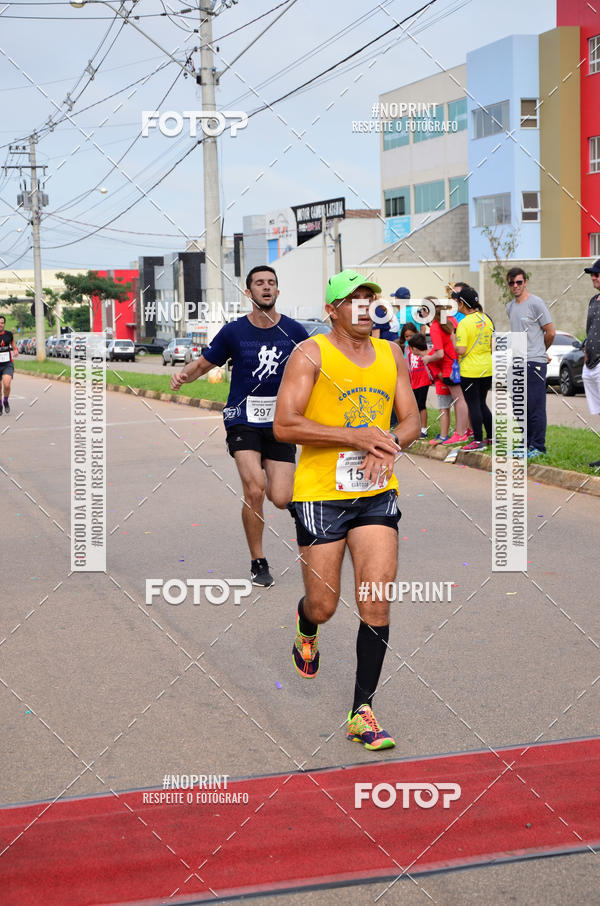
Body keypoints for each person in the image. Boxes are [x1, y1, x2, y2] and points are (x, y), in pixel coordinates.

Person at [273, 269, 420, 751]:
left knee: (376, 599)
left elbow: (412, 418)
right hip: (320, 493)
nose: (365, 306)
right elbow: (284, 425)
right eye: (354, 299)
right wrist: (354, 436)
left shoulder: (391, 353)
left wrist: (388, 444)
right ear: (333, 310)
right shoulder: (311, 353)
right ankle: (306, 625)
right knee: (325, 603)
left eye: (370, 298)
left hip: (377, 493)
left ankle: (363, 711)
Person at [170, 266, 308, 586]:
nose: (266, 287)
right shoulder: (234, 332)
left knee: (281, 496)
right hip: (242, 418)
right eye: (259, 283)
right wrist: (184, 375)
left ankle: (293, 510)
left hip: (280, 422)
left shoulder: (295, 332)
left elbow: (317, 368)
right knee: (255, 488)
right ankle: (258, 561)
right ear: (249, 293)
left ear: (277, 290)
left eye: (272, 283)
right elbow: (205, 363)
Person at [506, 267, 555, 459]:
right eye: (512, 283)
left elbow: (550, 331)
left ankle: (538, 446)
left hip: (534, 362)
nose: (516, 286)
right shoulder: (510, 307)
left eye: (519, 282)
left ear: (525, 282)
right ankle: (525, 443)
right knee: (520, 405)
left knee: (535, 405)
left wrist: (541, 351)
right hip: (517, 361)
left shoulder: (536, 303)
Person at [421, 300, 469, 445]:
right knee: (462, 400)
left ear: (427, 312)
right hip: (457, 365)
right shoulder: (450, 320)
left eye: (422, 312)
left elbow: (440, 353)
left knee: (459, 401)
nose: (421, 315)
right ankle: (465, 431)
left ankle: (460, 434)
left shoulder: (436, 327)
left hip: (449, 370)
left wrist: (428, 358)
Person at [454, 286, 494, 452]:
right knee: (482, 403)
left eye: (457, 302)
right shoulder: (486, 319)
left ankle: (478, 441)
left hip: (470, 370)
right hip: (487, 368)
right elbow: (492, 346)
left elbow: (461, 350)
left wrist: (454, 342)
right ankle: (491, 437)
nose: (457, 305)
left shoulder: (464, 323)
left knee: (473, 405)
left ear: (463, 304)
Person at [582, 259, 600, 468]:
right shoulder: (593, 300)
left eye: (596, 274)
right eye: (592, 275)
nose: (593, 278)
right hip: (592, 363)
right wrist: (586, 349)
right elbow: (589, 329)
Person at [407, 333, 431, 438]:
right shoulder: (409, 354)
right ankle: (415, 428)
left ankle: (424, 430)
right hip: (413, 382)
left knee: (421, 405)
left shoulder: (425, 354)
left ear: (415, 348)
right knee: (414, 406)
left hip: (423, 382)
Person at [0, 315, 17, 415]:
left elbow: (14, 346)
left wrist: (15, 350)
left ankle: (5, 401)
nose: (0, 325)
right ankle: (0, 405)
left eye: (2, 323)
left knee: (6, 384)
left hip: (7, 364)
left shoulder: (9, 334)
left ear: (4, 324)